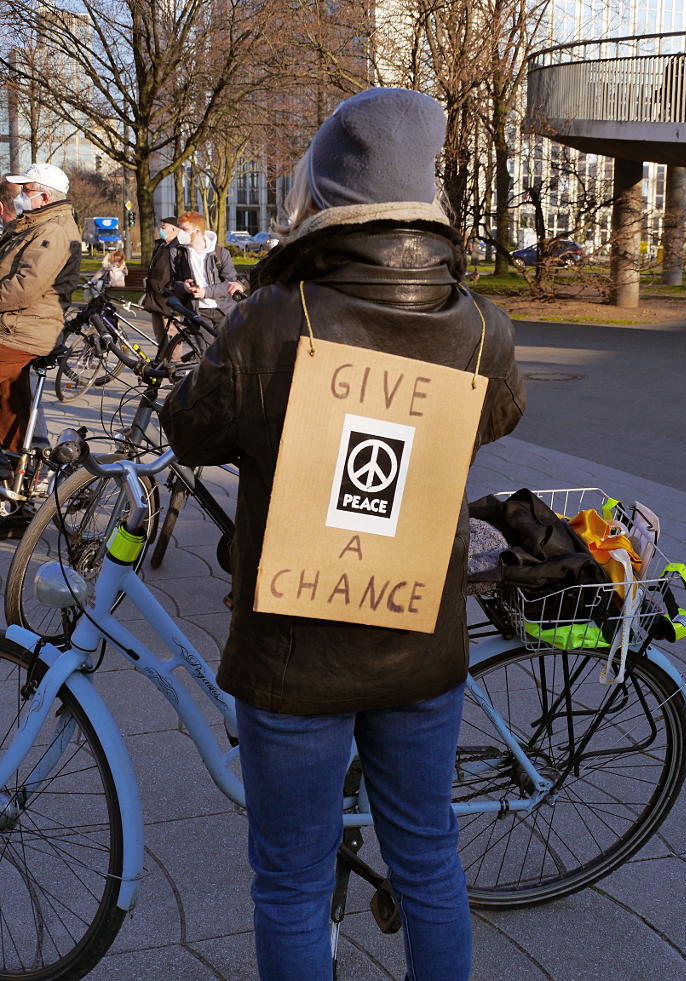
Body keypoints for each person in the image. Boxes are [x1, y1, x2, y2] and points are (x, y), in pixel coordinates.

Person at [161, 87, 525, 981]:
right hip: (418, 636)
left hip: (296, 652)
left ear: (321, 199)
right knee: (430, 859)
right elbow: (496, 417)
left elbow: (189, 431)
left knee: (289, 880)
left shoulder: (273, 321)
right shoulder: (481, 325)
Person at [0, 163, 81, 497]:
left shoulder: (54, 230)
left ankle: (21, 473)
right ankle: (16, 480)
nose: (21, 196)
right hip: (15, 325)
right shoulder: (37, 224)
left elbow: (24, 287)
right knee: (9, 401)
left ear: (44, 195)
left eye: (26, 190)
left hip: (27, 329)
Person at [171, 211, 245, 334]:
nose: (180, 233)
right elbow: (172, 283)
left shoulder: (221, 253)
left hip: (224, 310)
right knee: (206, 351)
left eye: (184, 229)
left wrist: (206, 292)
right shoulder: (178, 253)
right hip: (198, 312)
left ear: (197, 231)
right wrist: (184, 287)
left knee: (228, 351)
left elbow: (231, 283)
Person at [143, 216, 182, 350]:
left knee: (172, 335)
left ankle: (175, 364)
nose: (161, 229)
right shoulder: (160, 245)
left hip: (168, 299)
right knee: (160, 334)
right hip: (155, 297)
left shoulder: (178, 248)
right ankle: (163, 363)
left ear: (173, 229)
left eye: (164, 227)